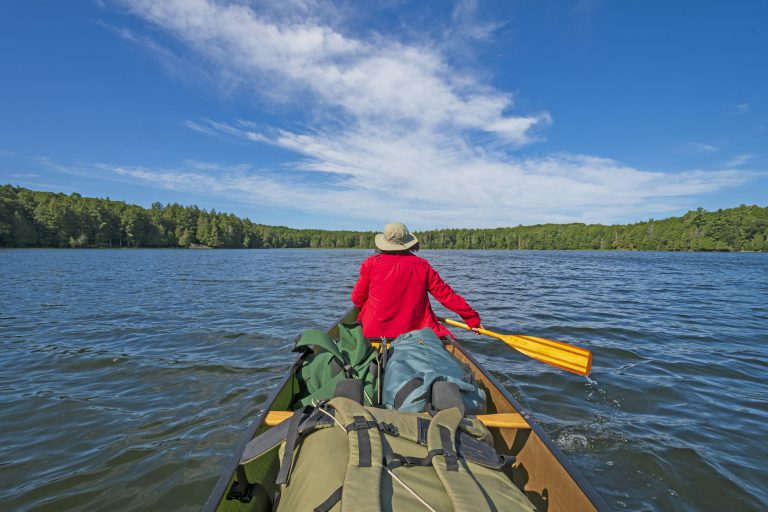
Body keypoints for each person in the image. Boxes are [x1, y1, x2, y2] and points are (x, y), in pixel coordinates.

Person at [351, 222, 484, 339]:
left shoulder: (370, 264)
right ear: (408, 243)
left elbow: (357, 299)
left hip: (373, 333)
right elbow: (446, 296)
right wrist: (472, 319)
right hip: (414, 334)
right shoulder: (422, 265)